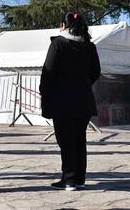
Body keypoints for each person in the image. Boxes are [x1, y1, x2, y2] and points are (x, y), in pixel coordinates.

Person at [40, 12, 101, 191]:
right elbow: (96, 72)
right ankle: (79, 178)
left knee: (66, 141)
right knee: (79, 139)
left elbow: (48, 72)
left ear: (63, 25)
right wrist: (84, 84)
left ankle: (69, 179)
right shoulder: (90, 46)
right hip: (83, 100)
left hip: (62, 101)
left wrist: (45, 92)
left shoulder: (58, 44)